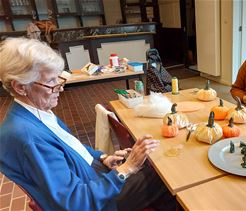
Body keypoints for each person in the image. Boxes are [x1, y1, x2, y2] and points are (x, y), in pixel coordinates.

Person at [0, 38, 175, 210]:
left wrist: (103, 158)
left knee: (150, 164)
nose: (60, 87)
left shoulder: (35, 112)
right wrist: (126, 169)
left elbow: (73, 147)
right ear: (21, 87)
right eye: (51, 81)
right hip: (97, 202)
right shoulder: (28, 137)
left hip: (92, 178)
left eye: (58, 78)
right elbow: (76, 203)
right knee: (164, 176)